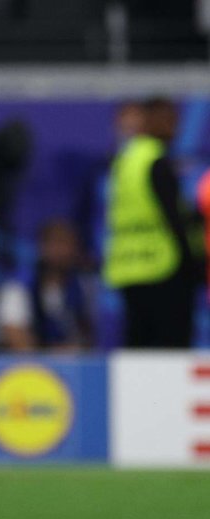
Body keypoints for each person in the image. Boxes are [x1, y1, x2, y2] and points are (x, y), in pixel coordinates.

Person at [103, 96, 196, 348]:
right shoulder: (156, 160)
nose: (173, 128)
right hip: (162, 266)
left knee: (139, 346)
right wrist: (192, 264)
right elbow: (174, 218)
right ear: (149, 121)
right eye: (168, 120)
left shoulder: (125, 160)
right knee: (169, 348)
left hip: (128, 267)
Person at [0, 219, 94, 351]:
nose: (62, 251)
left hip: (74, 363)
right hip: (28, 367)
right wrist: (54, 356)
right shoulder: (19, 286)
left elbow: (90, 337)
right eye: (56, 243)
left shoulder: (84, 286)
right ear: (42, 247)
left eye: (67, 244)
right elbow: (16, 338)